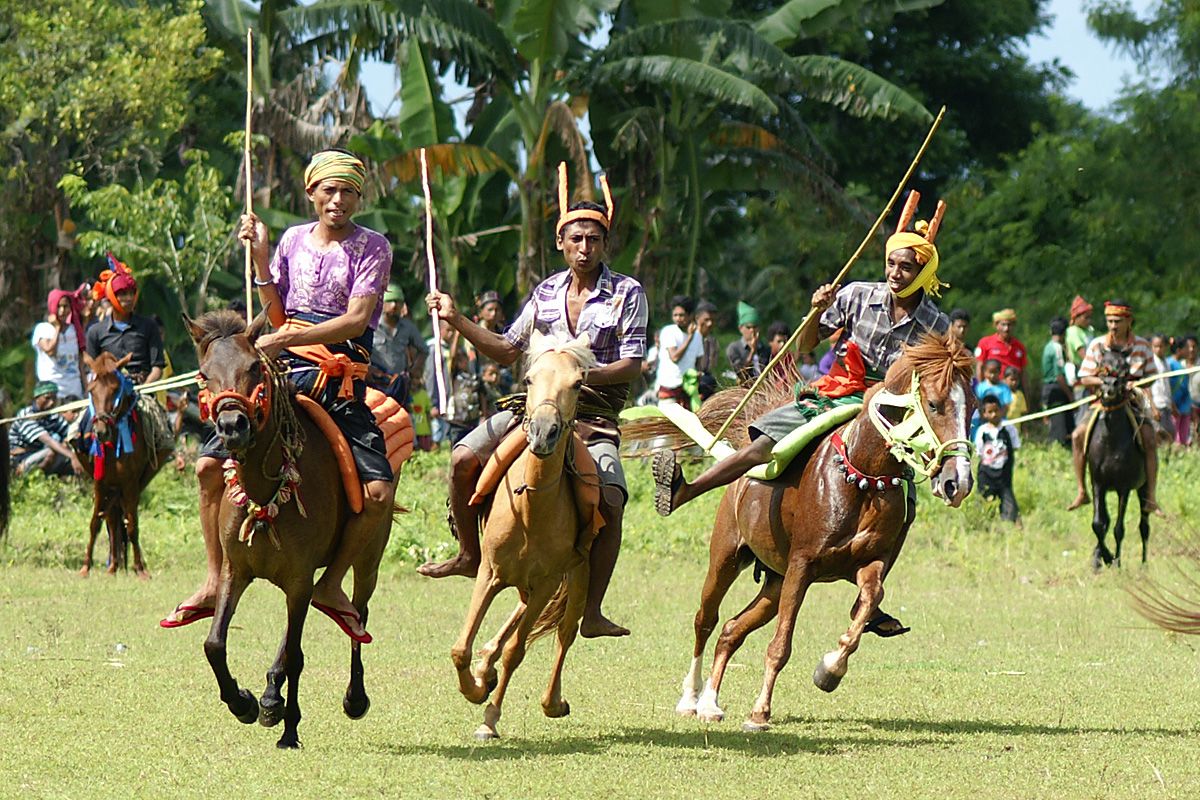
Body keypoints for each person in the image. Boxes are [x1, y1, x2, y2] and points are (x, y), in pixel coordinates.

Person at [654, 212, 952, 637]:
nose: (896, 273)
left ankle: (871, 599)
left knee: (905, 504)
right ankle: (686, 491)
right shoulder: (856, 295)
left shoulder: (937, 324)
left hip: (892, 414)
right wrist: (816, 312)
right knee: (763, 447)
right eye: (891, 264)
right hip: (841, 392)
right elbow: (807, 344)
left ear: (924, 272)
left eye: (907, 267)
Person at [162, 149, 397, 642]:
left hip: (338, 377)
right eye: (329, 190)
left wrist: (290, 336)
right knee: (207, 466)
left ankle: (330, 585)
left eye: (348, 191)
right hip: (284, 371)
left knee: (378, 494)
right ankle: (211, 578)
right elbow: (275, 309)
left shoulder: (373, 246)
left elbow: (356, 320)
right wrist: (262, 257)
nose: (338, 199)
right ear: (311, 193)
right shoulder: (292, 239)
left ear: (359, 197)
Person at [418, 167, 648, 639]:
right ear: (561, 243)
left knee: (612, 496)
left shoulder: (628, 292)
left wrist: (576, 375)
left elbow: (633, 363)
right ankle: (467, 552)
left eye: (594, 239)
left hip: (592, 416)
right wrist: (457, 318)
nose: (585, 248)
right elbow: (507, 348)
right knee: (462, 456)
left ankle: (593, 610)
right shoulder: (545, 292)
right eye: (576, 239)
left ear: (605, 244)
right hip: (533, 408)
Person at [1066, 300, 1159, 513]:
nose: (1113, 326)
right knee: (1077, 436)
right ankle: (1081, 491)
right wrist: (1107, 383)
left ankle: (1151, 497)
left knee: (1150, 438)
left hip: (1132, 401)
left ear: (1129, 321)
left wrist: (1138, 383)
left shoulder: (1143, 346)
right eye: (1109, 321)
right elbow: (1085, 377)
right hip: (1102, 402)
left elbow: (1153, 375)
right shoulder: (1097, 345)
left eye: (1117, 321)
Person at [85, 255, 165, 386]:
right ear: (111, 296)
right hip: (109, 394)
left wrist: (143, 389)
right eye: (122, 294)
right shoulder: (95, 332)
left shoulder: (149, 326)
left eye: (131, 293)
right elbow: (92, 370)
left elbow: (157, 367)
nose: (128, 298)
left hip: (143, 391)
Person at [370, 282, 429, 407]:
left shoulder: (408, 327)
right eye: (390, 301)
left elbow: (423, 350)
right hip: (377, 384)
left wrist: (413, 371)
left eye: (398, 302)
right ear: (382, 303)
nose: (394, 305)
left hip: (400, 385)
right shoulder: (371, 325)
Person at [9, 382, 85, 478]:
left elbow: (68, 434)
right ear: (37, 397)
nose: (52, 402)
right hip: (21, 458)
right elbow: (48, 440)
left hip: (40, 454)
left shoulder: (52, 416)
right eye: (47, 398)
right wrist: (72, 456)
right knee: (53, 450)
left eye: (54, 398)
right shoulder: (26, 415)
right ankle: (32, 478)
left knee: (67, 447)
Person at [974, 394, 1020, 523]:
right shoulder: (982, 431)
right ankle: (984, 524)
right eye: (990, 412)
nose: (994, 414)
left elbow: (1015, 447)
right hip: (986, 474)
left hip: (1004, 476)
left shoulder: (1009, 428)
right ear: (984, 414)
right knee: (984, 503)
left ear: (1001, 410)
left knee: (1009, 506)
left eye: (996, 410)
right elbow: (979, 452)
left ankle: (1012, 522)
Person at [32, 289, 85, 398]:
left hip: (74, 390)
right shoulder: (43, 329)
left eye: (66, 306)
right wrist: (57, 328)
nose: (62, 310)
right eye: (58, 306)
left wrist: (86, 386)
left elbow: (80, 361)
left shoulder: (73, 330)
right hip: (53, 392)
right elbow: (50, 350)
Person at [655, 295, 703, 405]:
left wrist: (698, 377)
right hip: (669, 389)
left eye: (681, 315)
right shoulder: (668, 332)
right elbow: (675, 357)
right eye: (675, 315)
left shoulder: (698, 336)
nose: (678, 319)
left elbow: (699, 362)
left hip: (688, 390)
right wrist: (689, 338)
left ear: (691, 315)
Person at [974, 309, 1028, 399]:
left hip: (1014, 392)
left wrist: (1026, 396)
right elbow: (979, 367)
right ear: (996, 325)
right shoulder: (985, 343)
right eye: (1003, 324)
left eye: (1009, 325)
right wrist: (982, 391)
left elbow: (1024, 374)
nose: (1006, 328)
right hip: (993, 391)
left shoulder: (1019, 346)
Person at [1041, 316, 1073, 447]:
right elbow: (1059, 376)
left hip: (1048, 388)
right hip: (1056, 389)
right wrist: (1070, 395)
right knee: (1059, 426)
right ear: (1064, 333)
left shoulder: (1048, 346)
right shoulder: (1057, 348)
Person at [1065, 296, 1095, 425]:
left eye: (1089, 317)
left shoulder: (1089, 330)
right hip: (1081, 372)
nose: (1088, 320)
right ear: (1076, 317)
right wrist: (1096, 367)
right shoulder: (1073, 332)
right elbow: (1082, 352)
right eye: (1085, 317)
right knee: (1083, 408)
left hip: (1093, 371)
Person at [726, 302, 770, 381]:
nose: (752, 330)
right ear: (740, 328)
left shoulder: (765, 349)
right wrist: (752, 351)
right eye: (748, 327)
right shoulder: (734, 348)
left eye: (755, 327)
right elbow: (741, 373)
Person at [1148, 334, 1176, 445]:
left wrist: (1172, 403)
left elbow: (1167, 385)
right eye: (1155, 346)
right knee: (1159, 435)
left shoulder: (1166, 363)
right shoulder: (1150, 363)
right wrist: (1153, 407)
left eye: (1161, 346)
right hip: (1156, 404)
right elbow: (1147, 387)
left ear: (1165, 347)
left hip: (1166, 403)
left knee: (1170, 433)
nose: (1158, 349)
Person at [1167, 337, 1191, 447]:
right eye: (1187, 347)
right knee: (1174, 438)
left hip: (1185, 406)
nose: (1189, 350)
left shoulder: (1183, 365)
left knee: (1183, 438)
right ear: (1179, 350)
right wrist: (1172, 405)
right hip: (1174, 407)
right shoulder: (1169, 364)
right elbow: (1166, 387)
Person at [694, 300, 720, 399]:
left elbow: (712, 366)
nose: (710, 324)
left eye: (713, 320)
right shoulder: (689, 339)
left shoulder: (712, 342)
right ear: (697, 319)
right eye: (706, 320)